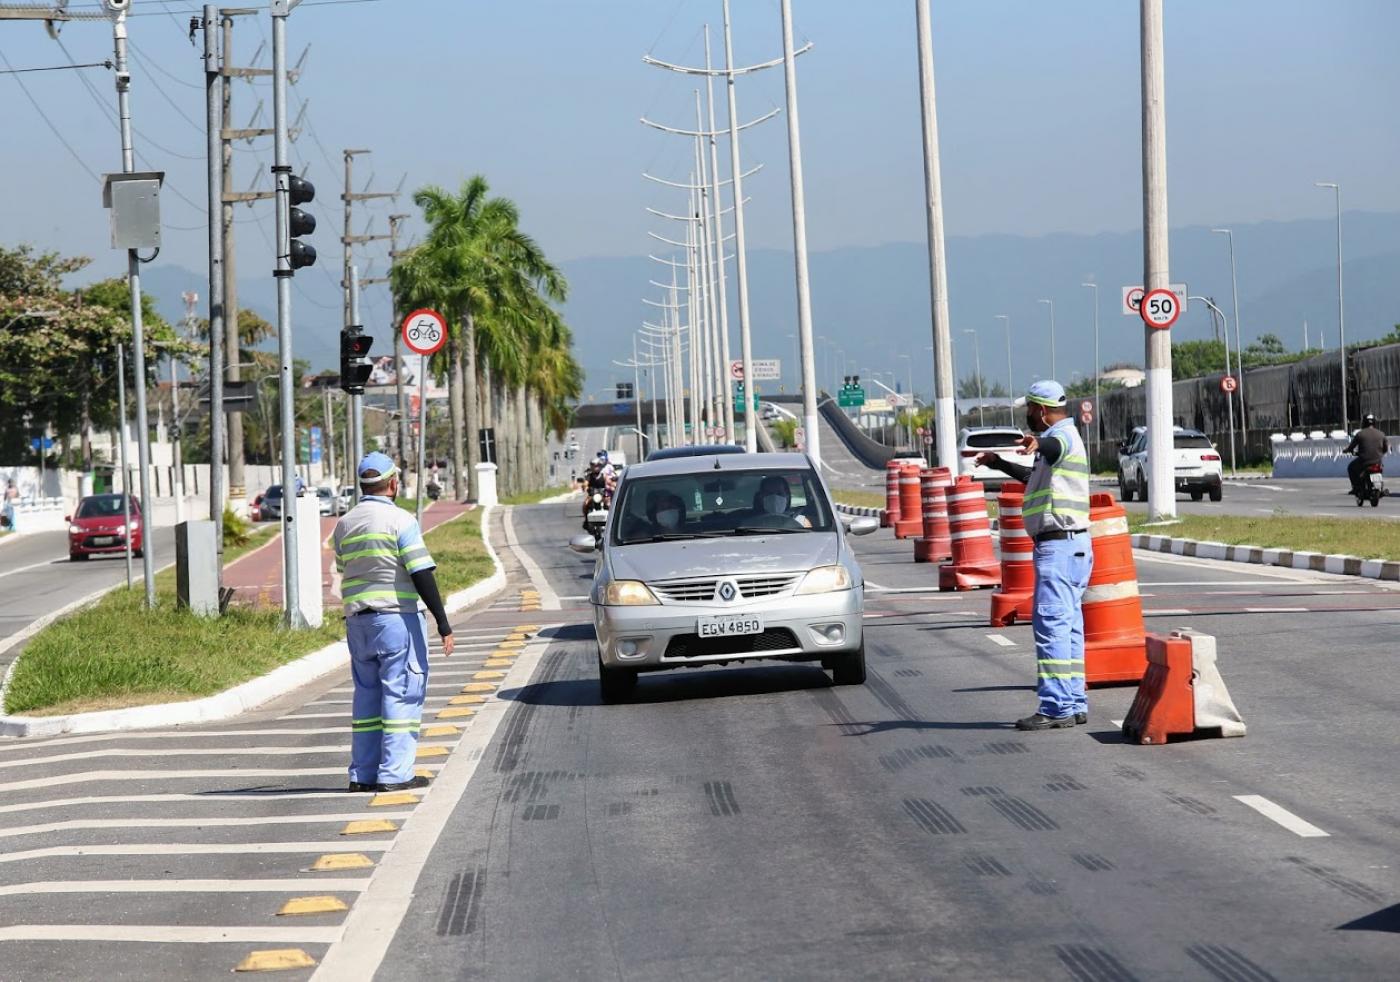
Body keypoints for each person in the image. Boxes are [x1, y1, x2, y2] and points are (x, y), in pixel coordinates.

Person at [333, 452, 456, 793]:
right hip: (396, 621)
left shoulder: (344, 524)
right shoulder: (400, 521)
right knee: (401, 695)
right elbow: (421, 573)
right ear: (392, 483)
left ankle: (362, 774)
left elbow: (346, 566)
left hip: (358, 622)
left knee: (367, 700)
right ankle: (396, 774)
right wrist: (443, 624)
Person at [976, 380, 1092, 731]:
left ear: (1041, 411)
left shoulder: (1061, 438)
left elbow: (1052, 447)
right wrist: (999, 463)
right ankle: (1073, 701)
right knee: (1069, 627)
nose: (1027, 417)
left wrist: (1037, 442)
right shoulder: (1064, 441)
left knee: (1052, 627)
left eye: (1029, 410)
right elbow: (1033, 475)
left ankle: (1056, 708)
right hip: (1074, 547)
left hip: (1058, 548)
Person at [1344, 413, 1386, 497]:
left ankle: (1356, 488)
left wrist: (1347, 450)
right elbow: (1386, 448)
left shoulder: (1360, 434)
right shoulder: (1381, 434)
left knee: (1351, 467)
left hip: (1364, 461)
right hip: (1378, 462)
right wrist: (1380, 453)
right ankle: (1379, 488)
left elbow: (1351, 447)